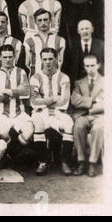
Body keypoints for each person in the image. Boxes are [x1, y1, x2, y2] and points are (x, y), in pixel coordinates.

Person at [30, 48, 74, 176]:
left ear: (56, 59)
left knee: (69, 124)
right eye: (45, 59)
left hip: (59, 112)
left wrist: (43, 99)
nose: (48, 62)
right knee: (38, 123)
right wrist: (53, 98)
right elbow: (33, 101)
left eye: (50, 59)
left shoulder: (63, 77)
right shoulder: (35, 77)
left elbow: (64, 102)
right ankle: (42, 162)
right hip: (41, 112)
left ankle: (65, 162)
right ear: (41, 60)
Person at [0, 45, 33, 159]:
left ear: (14, 57)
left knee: (28, 134)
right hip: (1, 114)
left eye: (10, 57)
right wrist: (17, 92)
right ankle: (12, 155)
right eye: (5, 57)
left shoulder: (21, 71)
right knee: (3, 133)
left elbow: (27, 92)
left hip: (19, 113)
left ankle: (13, 153)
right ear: (0, 57)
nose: (7, 59)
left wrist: (6, 91)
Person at [71, 55, 103, 177]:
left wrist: (86, 104)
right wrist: (94, 101)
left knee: (99, 128)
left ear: (98, 65)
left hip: (99, 116)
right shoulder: (79, 83)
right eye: (87, 66)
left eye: (92, 65)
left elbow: (106, 103)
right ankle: (81, 161)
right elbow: (74, 100)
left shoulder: (106, 82)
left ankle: (92, 162)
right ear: (84, 67)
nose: (90, 68)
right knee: (78, 126)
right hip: (82, 116)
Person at [24, 9, 66, 77]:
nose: (43, 23)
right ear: (35, 22)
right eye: (40, 20)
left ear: (50, 20)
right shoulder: (29, 41)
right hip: (35, 80)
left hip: (54, 79)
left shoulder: (60, 40)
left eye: (45, 19)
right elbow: (27, 64)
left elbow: (61, 62)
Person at [66, 19, 104, 84]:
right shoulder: (72, 48)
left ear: (92, 29)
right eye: (82, 29)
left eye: (87, 28)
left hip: (98, 83)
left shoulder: (101, 45)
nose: (85, 31)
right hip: (78, 84)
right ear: (78, 31)